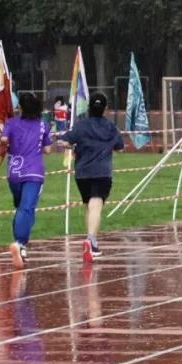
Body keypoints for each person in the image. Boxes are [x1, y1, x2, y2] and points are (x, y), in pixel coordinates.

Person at [58, 92, 124, 261]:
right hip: (102, 172)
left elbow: (63, 141)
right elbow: (120, 147)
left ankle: (91, 240)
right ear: (105, 109)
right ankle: (91, 240)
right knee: (96, 204)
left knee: (89, 205)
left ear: (89, 108)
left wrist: (74, 148)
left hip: (82, 173)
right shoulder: (110, 127)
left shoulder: (81, 126)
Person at [0, 93, 53, 269]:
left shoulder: (11, 123)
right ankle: (20, 242)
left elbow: (4, 139)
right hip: (34, 173)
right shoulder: (43, 125)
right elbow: (48, 149)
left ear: (20, 107)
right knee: (26, 208)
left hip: (14, 172)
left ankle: (21, 247)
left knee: (21, 207)